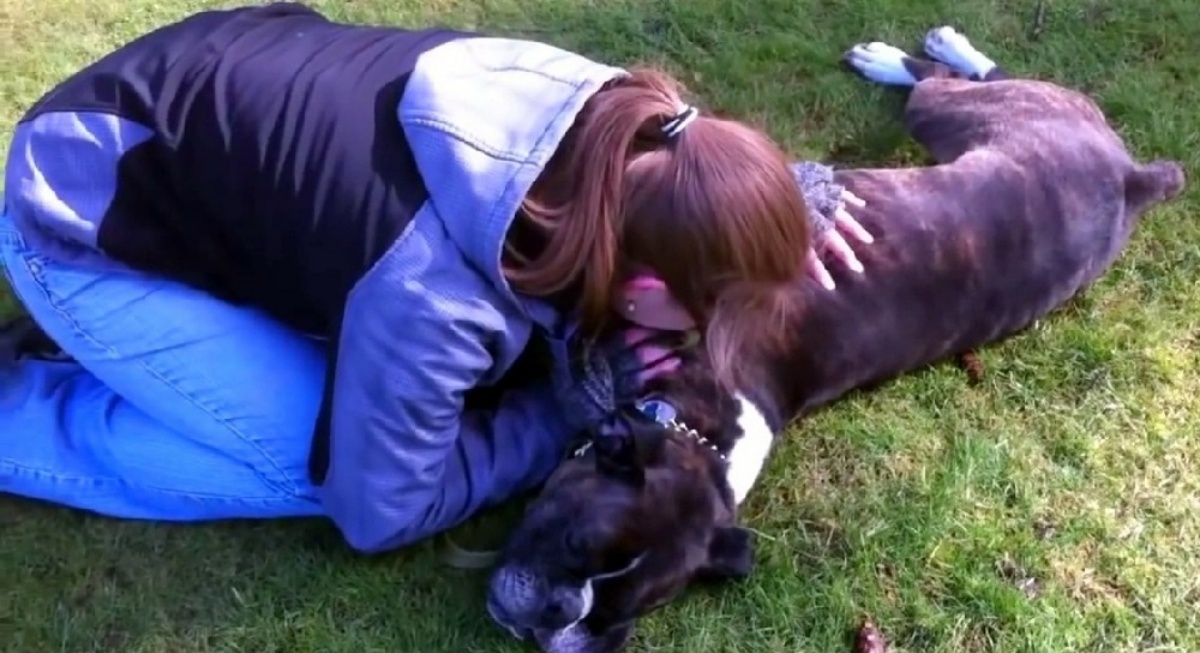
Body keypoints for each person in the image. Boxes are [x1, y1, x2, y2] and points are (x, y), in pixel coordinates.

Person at [0, 2, 872, 553]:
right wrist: (557, 410)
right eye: (698, 314)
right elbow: (380, 508)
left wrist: (763, 209)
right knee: (309, 466)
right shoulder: (427, 293)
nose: (693, 341)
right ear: (644, 290)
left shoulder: (620, 116)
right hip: (74, 217)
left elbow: (686, 175)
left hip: (163, 107)